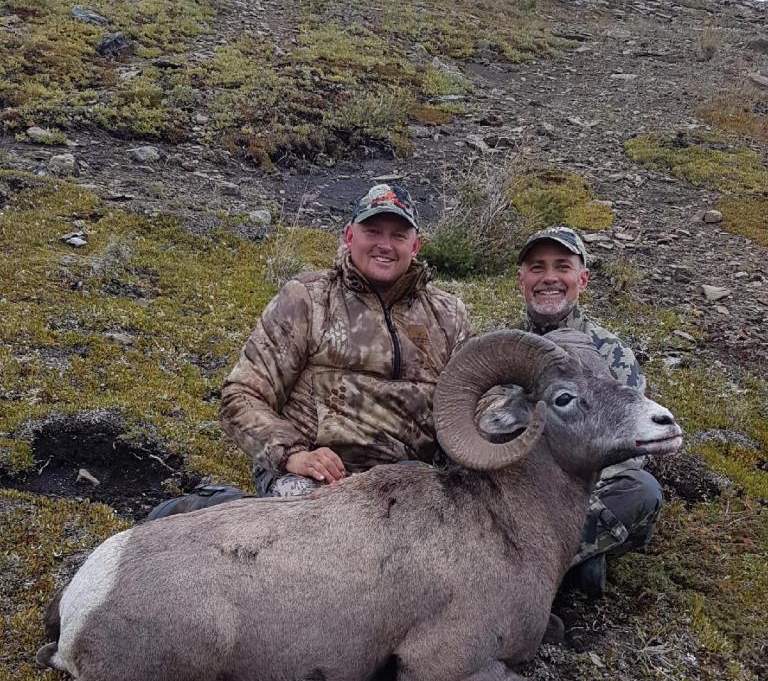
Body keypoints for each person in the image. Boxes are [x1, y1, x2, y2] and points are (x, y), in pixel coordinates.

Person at [155, 183, 467, 518]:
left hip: (407, 480)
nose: (384, 245)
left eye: (398, 236)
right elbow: (241, 395)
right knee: (323, 535)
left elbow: (470, 401)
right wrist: (292, 454)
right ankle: (212, 512)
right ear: (349, 236)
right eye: (372, 231)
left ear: (415, 245)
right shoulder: (307, 299)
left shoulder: (448, 315)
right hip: (316, 473)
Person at [494, 225, 662, 598]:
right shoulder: (499, 349)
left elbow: (628, 448)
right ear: (521, 280)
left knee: (640, 490)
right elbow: (482, 424)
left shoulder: (612, 354)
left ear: (582, 279)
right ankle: (571, 567)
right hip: (513, 489)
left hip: (579, 491)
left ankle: (534, 568)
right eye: (537, 267)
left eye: (562, 266)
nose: (549, 277)